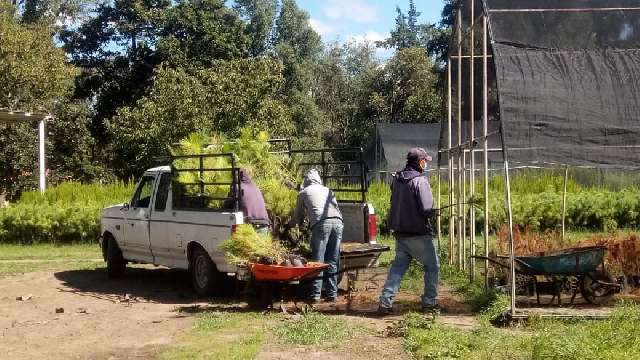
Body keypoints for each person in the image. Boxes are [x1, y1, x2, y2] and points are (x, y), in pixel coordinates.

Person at [378, 148, 440, 314]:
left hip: (400, 233)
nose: (426, 163)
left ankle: (385, 303)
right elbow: (426, 209)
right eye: (425, 160)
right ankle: (429, 303)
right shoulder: (420, 181)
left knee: (397, 268)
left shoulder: (397, 180)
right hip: (418, 233)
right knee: (432, 266)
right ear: (420, 162)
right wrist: (434, 212)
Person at [288, 169, 343, 302]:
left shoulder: (303, 192)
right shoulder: (328, 190)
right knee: (332, 260)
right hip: (338, 222)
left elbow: (298, 215)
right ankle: (332, 294)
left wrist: (289, 225)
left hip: (322, 224)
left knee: (318, 261)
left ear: (306, 181)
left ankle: (315, 295)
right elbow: (336, 207)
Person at [230, 169, 271, 234]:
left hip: (250, 224)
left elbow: (227, 205)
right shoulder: (256, 187)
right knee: (260, 244)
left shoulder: (237, 188)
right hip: (264, 224)